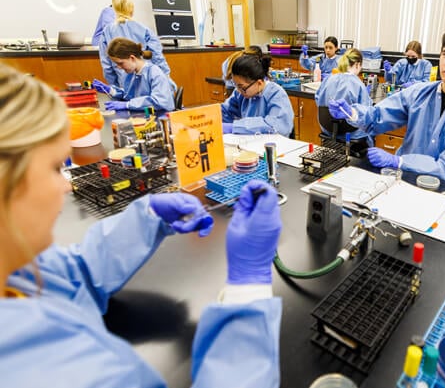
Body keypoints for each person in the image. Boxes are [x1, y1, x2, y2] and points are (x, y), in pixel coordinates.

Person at [0, 62, 282, 387]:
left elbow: (73, 275)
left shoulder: (15, 271)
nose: (66, 186)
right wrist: (249, 286)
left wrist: (147, 217)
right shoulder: (39, 364)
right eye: (53, 168)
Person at [328, 24, 445, 187]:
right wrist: (352, 113)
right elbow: (378, 116)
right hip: (405, 181)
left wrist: (399, 161)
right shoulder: (418, 94)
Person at [99, 0, 174, 89]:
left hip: (124, 84)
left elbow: (107, 66)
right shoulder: (143, 29)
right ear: (131, 9)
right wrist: (166, 78)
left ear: (115, 10)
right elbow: (157, 57)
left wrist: (116, 89)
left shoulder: (107, 32)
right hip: (147, 81)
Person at [92, 37, 175, 112]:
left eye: (120, 63)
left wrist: (128, 105)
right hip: (142, 114)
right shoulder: (131, 73)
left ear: (132, 58)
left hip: (159, 117)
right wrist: (110, 90)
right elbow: (129, 94)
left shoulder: (154, 73)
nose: (119, 67)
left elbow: (159, 102)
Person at [314, 48, 374, 150]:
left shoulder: (329, 78)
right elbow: (365, 112)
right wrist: (368, 98)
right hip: (352, 132)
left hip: (328, 129)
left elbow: (318, 99)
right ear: (357, 64)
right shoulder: (357, 83)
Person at [221, 54, 294, 137]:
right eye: (236, 85)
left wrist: (234, 127)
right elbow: (225, 112)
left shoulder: (276, 94)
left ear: (259, 83)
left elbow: (276, 126)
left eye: (241, 87)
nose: (238, 91)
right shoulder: (241, 92)